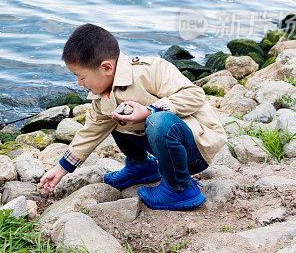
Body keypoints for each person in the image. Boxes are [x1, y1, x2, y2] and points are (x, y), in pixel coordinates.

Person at [38, 23, 227, 210]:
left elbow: (194, 95)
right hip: (166, 148)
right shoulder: (103, 96)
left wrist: (150, 110)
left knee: (157, 120)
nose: (79, 83)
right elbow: (90, 133)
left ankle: (179, 189)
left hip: (196, 149)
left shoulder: (151, 70)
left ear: (106, 68)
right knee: (116, 114)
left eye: (81, 77)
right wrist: (61, 169)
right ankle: (141, 166)